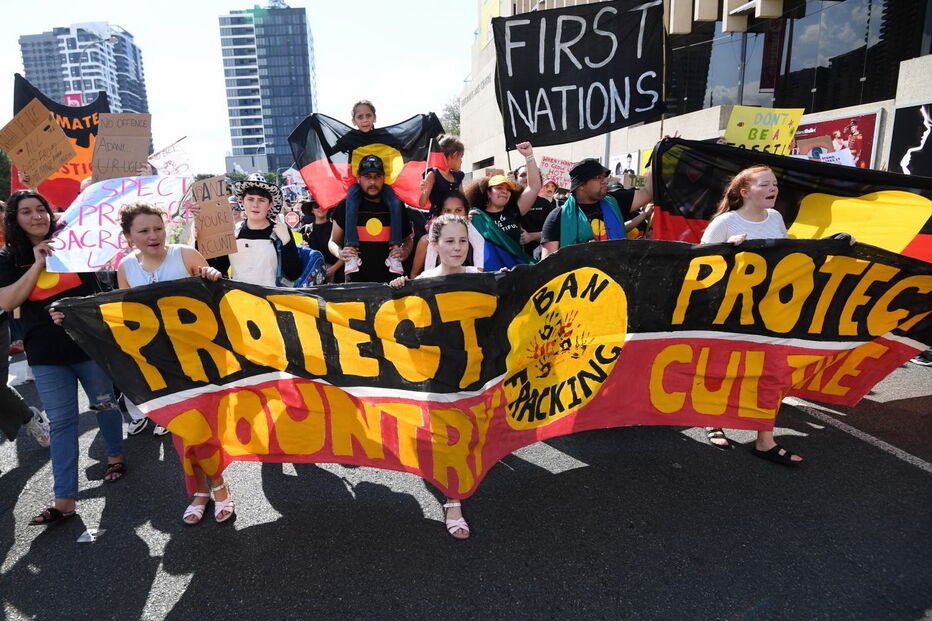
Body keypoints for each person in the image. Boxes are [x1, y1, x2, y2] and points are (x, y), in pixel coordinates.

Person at [0, 190, 125, 525]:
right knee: (62, 422)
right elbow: (9, 301)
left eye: (41, 209)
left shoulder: (73, 239)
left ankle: (115, 456)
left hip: (88, 344)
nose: (36, 216)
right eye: (26, 212)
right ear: (15, 219)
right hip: (45, 352)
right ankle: (65, 499)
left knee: (104, 403)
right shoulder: (9, 258)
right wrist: (38, 263)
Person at [114, 201, 234, 524]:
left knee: (202, 426)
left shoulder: (186, 255)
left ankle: (218, 486)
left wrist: (209, 275)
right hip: (160, 364)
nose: (153, 236)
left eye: (158, 228)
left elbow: (216, 298)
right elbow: (125, 317)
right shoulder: (126, 268)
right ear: (128, 237)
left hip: (199, 358)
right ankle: (200, 490)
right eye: (143, 230)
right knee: (181, 430)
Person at [389, 214, 479, 540]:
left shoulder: (481, 277)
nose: (457, 248)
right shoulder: (423, 280)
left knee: (467, 435)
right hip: (435, 375)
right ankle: (452, 501)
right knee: (445, 436)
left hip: (471, 374)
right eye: (450, 241)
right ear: (436, 244)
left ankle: (454, 485)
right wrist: (399, 292)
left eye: (462, 241)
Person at [539, 158, 654, 259]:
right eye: (598, 177)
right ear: (581, 185)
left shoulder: (614, 202)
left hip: (618, 278)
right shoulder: (558, 217)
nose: (604, 181)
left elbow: (648, 193)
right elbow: (549, 265)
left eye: (604, 176)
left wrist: (658, 153)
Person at [341, 100, 406, 275]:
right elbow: (332, 150)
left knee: (395, 203)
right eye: (360, 117)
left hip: (382, 183)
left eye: (368, 115)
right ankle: (351, 249)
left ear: (375, 117)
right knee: (352, 200)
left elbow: (404, 145)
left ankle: (394, 250)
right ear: (353, 120)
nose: (364, 120)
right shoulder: (350, 138)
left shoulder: (385, 136)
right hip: (357, 183)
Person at [204, 174, 302, 287]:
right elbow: (219, 268)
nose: (255, 205)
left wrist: (287, 242)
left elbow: (294, 274)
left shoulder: (280, 232)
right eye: (250, 199)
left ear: (270, 205)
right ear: (242, 202)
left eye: (261, 200)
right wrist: (201, 236)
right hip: (240, 299)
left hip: (272, 300)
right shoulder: (232, 232)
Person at [329, 155, 413, 284]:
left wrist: (405, 252)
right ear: (359, 178)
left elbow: (408, 240)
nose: (372, 182)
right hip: (356, 283)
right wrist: (340, 253)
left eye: (377, 177)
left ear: (384, 178)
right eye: (367, 177)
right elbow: (333, 242)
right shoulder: (345, 206)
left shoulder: (397, 206)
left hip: (392, 283)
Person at [464, 142, 541, 270]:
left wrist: (529, 156)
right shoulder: (476, 216)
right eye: (499, 188)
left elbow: (534, 187)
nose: (504, 191)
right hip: (489, 276)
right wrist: (463, 221)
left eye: (508, 189)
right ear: (488, 193)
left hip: (516, 273)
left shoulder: (514, 211)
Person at [410, 191, 484, 278]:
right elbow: (414, 276)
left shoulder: (476, 240)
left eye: (458, 210)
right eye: (447, 211)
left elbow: (479, 279)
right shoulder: (425, 242)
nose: (453, 215)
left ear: (466, 213)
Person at [299, 198, 343, 283]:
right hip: (312, 277)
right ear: (312, 210)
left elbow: (345, 251)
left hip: (336, 276)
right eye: (316, 206)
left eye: (323, 205)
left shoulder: (336, 228)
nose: (320, 208)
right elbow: (299, 254)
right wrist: (302, 248)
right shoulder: (305, 230)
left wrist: (333, 269)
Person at [418, 135, 466, 210]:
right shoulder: (433, 175)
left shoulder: (458, 176)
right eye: (461, 157)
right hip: (438, 219)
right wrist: (424, 191)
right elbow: (422, 204)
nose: (461, 161)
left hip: (455, 218)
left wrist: (469, 212)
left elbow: (463, 200)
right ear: (454, 155)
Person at [520, 177, 558, 259]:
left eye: (552, 186)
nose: (527, 178)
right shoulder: (509, 203)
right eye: (522, 175)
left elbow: (556, 231)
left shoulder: (545, 204)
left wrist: (531, 236)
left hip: (541, 256)